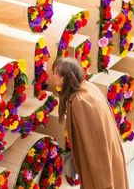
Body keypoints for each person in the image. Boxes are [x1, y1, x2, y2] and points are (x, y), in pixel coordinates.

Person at [51, 57, 129, 189]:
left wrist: (104, 184)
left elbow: (96, 146)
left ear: (65, 78)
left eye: (54, 73)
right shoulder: (87, 87)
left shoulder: (81, 102)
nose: (52, 76)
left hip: (102, 174)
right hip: (108, 164)